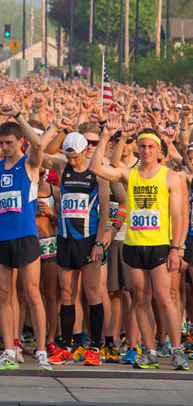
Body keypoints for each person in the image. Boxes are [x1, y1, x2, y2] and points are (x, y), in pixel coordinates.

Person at [89, 120, 189, 371]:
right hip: (134, 244)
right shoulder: (129, 174)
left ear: (159, 150)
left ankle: (176, 350)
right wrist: (106, 136)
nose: (145, 151)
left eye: (150, 147)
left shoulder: (171, 177)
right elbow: (95, 167)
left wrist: (177, 248)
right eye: (142, 146)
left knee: (164, 297)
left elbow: (179, 216)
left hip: (160, 245)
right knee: (140, 299)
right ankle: (150, 351)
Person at [0, 103, 52, 371]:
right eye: (2, 143)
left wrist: (19, 115)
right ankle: (9, 351)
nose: (4, 147)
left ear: (20, 141)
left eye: (9, 143)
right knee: (3, 295)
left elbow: (39, 144)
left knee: (32, 294)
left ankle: (41, 351)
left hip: (25, 236)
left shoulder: (30, 163)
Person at [39, 127, 110, 366]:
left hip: (88, 240)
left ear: (84, 152)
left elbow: (104, 212)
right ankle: (66, 347)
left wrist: (99, 242)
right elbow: (38, 153)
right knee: (67, 294)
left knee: (92, 292)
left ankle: (95, 348)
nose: (72, 161)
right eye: (69, 156)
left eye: (76, 157)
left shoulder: (97, 172)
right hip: (65, 239)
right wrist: (57, 130)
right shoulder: (62, 166)